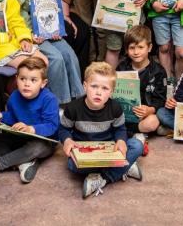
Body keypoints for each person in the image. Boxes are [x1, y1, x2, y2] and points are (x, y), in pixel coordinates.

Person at [4, 0, 83, 104]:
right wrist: (30, 35)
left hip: (46, 30)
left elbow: (50, 7)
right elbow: (14, 17)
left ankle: (78, 97)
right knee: (56, 58)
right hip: (28, 35)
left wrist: (55, 29)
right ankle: (59, 102)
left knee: (69, 54)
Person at [59, 62, 143, 199]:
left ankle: (103, 178)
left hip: (109, 148)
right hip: (86, 151)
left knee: (137, 145)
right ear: (85, 86)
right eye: (94, 86)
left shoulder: (115, 108)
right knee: (72, 165)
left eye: (105, 88)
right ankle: (123, 167)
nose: (98, 92)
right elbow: (64, 129)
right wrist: (67, 140)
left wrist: (121, 141)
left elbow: (120, 129)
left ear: (112, 92)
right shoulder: (72, 108)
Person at [0, 57, 58, 184]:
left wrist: (31, 129)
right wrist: (1, 116)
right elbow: (13, 116)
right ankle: (25, 161)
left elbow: (52, 126)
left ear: (43, 83)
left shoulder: (49, 99)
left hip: (43, 141)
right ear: (16, 79)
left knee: (37, 148)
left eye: (33, 80)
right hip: (19, 137)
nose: (27, 84)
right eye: (22, 79)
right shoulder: (14, 96)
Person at [116, 25, 167, 151]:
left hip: (144, 115)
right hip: (123, 115)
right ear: (126, 49)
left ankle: (132, 132)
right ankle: (135, 134)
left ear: (149, 47)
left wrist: (150, 110)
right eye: (132, 48)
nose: (136, 52)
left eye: (140, 47)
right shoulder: (121, 68)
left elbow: (161, 100)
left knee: (153, 122)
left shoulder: (158, 71)